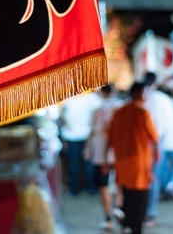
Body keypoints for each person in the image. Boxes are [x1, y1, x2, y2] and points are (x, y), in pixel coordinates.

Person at [105, 82, 159, 234]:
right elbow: (154, 137)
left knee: (127, 195)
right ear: (138, 94)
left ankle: (127, 224)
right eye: (144, 93)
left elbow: (110, 137)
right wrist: (157, 154)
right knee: (140, 199)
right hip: (139, 163)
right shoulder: (142, 113)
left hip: (122, 162)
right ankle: (135, 227)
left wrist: (106, 159)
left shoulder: (119, 112)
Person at [83, 83, 124, 230]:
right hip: (119, 152)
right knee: (120, 183)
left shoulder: (97, 108)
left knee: (104, 186)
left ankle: (108, 218)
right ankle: (119, 209)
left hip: (101, 152)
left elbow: (92, 131)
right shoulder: (121, 107)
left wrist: (87, 148)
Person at [142, 72, 172, 227]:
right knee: (153, 178)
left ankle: (141, 212)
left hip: (143, 142)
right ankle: (150, 214)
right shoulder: (162, 99)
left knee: (143, 178)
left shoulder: (142, 97)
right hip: (156, 141)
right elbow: (166, 125)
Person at [60, 90, 102, 196]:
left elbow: (62, 117)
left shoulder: (67, 97)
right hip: (86, 135)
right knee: (87, 163)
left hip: (72, 136)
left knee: (74, 163)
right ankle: (90, 187)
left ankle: (75, 189)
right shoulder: (91, 98)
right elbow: (97, 112)